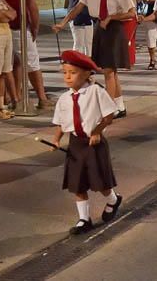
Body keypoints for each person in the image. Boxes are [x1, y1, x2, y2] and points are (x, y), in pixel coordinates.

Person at [53, 0, 136, 119]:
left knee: (108, 71)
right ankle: (119, 106)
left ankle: (108, 110)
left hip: (114, 30)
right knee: (111, 71)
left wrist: (112, 17)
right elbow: (78, 7)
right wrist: (62, 23)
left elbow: (132, 12)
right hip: (99, 28)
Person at [51, 50, 122, 235]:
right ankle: (84, 219)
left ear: (86, 74)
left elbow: (109, 115)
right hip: (76, 144)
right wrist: (56, 140)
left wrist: (97, 132)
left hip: (93, 143)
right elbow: (61, 122)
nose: (67, 77)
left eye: (72, 73)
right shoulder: (64, 98)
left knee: (101, 182)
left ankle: (113, 199)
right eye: (65, 72)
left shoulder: (95, 91)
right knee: (77, 183)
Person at [0, 0, 53, 110]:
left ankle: (14, 97)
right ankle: (42, 98)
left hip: (2, 29)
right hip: (19, 27)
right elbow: (32, 6)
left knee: (12, 64)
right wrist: (35, 26)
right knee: (32, 63)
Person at [116, 0, 139, 67]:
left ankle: (129, 62)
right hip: (118, 15)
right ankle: (121, 61)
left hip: (128, 15)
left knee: (128, 40)